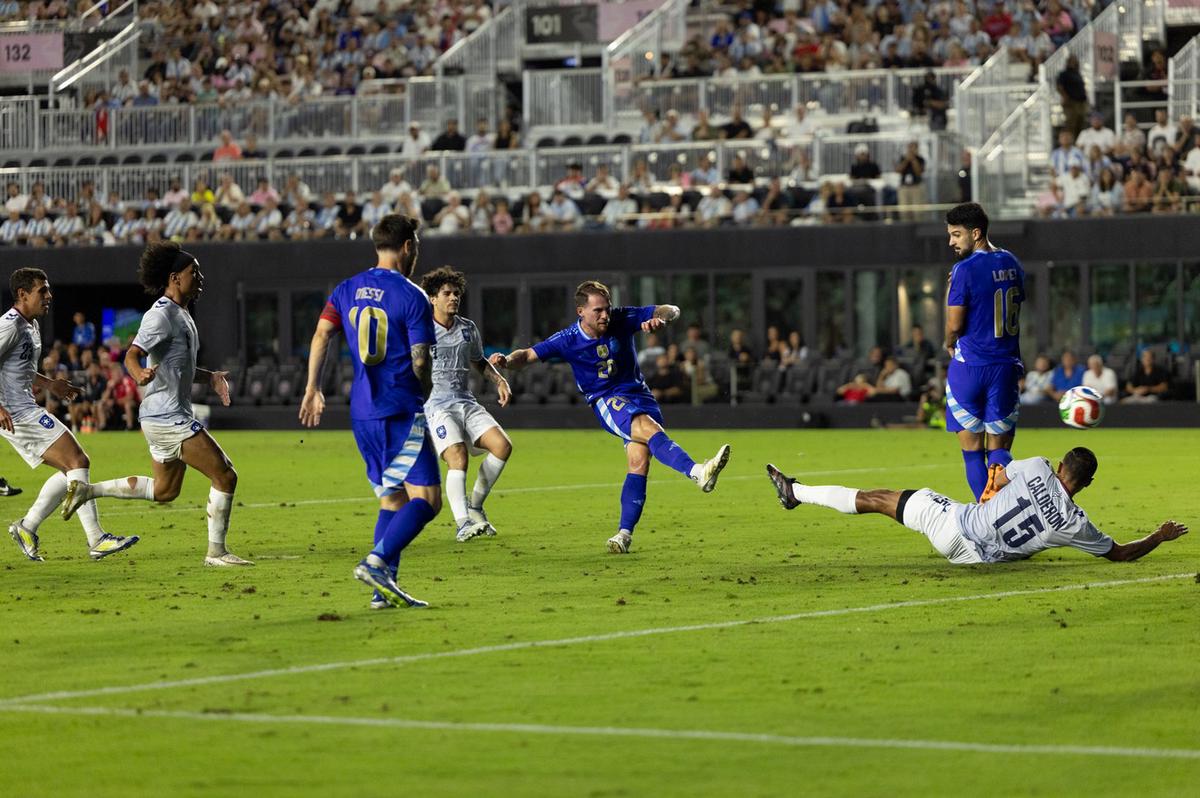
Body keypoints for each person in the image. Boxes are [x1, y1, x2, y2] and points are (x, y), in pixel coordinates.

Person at [489, 281, 731, 554]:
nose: (605, 315)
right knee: (648, 430)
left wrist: (661, 318)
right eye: (598, 311)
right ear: (581, 311)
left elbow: (670, 309)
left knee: (639, 462)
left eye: (607, 309)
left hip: (641, 395)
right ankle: (698, 472)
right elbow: (529, 354)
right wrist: (507, 362)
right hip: (607, 400)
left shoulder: (621, 318)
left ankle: (623, 535)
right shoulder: (567, 339)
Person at [61, 244, 251, 567]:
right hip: (167, 417)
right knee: (226, 475)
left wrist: (211, 378)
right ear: (175, 278)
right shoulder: (161, 314)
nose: (201, 278)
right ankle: (216, 553)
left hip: (162, 415)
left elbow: (179, 367)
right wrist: (138, 373)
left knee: (165, 491)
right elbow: (132, 354)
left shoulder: (182, 314)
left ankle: (87, 491)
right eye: (195, 273)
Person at [300, 214, 441, 609]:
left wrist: (313, 388)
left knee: (391, 498)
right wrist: (424, 390)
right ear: (408, 246)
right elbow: (420, 360)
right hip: (399, 407)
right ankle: (376, 561)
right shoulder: (412, 295)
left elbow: (322, 333)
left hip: (361, 410)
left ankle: (382, 591)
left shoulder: (346, 289)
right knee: (428, 500)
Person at [765, 448, 1188, 564]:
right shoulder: (1077, 525)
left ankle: (796, 493)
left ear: (1060, 465)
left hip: (955, 523)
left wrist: (996, 486)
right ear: (1088, 483)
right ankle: (796, 493)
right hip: (976, 560)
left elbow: (999, 474)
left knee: (877, 499)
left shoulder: (1039, 467)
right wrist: (1159, 536)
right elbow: (1120, 554)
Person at [2, 269, 140, 562]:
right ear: (23, 295)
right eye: (43, 290)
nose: (49, 296)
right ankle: (96, 539)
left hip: (24, 407)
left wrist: (50, 384)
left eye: (49, 290)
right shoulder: (10, 326)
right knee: (78, 461)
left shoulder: (31, 326)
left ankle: (27, 527)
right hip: (14, 413)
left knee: (71, 470)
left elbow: (20, 368)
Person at [419, 267, 512, 543]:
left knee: (502, 446)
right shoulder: (420, 329)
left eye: (456, 293)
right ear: (433, 298)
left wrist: (499, 381)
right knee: (457, 456)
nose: (453, 298)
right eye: (446, 293)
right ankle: (462, 524)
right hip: (436, 406)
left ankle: (475, 507)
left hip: (464, 401)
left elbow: (478, 361)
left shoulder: (467, 328)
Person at [943, 202, 1025, 501]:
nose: (951, 242)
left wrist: (948, 341)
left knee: (971, 453)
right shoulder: (1012, 262)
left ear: (975, 233)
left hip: (969, 367)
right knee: (1000, 449)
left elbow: (954, 324)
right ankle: (1013, 511)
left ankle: (989, 519)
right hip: (1005, 367)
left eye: (956, 235)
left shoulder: (963, 269)